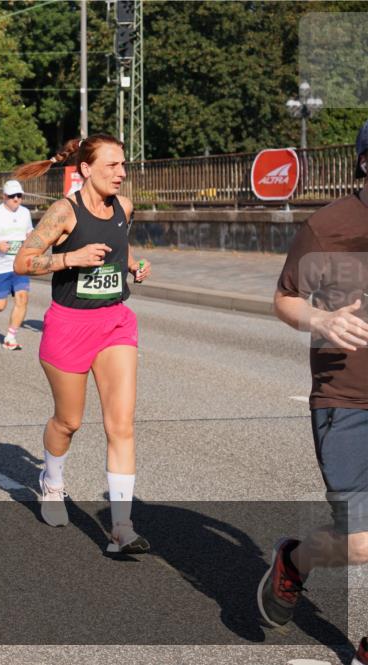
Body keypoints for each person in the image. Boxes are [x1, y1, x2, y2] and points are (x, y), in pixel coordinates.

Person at [256, 121, 368, 665]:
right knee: (361, 542)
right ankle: (295, 561)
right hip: (346, 400)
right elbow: (284, 299)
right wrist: (320, 320)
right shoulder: (327, 227)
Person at [12, 134, 152, 554]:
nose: (121, 173)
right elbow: (23, 261)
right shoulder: (62, 212)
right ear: (86, 169)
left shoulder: (124, 207)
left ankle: (121, 527)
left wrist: (134, 265)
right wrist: (69, 258)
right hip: (69, 326)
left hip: (115, 323)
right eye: (112, 166)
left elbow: (120, 251)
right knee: (68, 421)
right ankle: (51, 483)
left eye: (123, 165)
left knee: (121, 426)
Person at [0, 179, 35, 350]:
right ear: (4, 197)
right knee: (0, 305)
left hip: (19, 264)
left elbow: (29, 232)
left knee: (22, 298)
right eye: (12, 196)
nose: (16, 199)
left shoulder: (25, 213)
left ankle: (10, 337)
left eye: (19, 195)